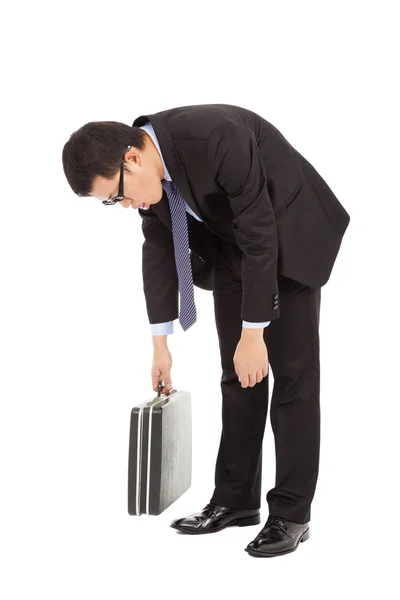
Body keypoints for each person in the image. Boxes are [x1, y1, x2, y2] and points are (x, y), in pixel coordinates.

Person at [62, 103, 350, 558]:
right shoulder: (150, 181)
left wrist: (253, 334)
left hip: (287, 234)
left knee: (292, 379)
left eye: (117, 195)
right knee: (238, 377)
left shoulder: (216, 138)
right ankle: (235, 501)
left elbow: (260, 231)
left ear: (132, 159)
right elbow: (157, 252)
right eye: (112, 203)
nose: (126, 206)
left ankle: (292, 513)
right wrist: (160, 345)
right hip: (233, 245)